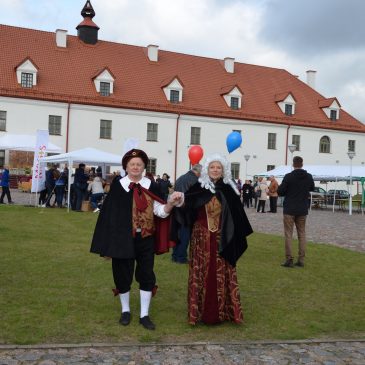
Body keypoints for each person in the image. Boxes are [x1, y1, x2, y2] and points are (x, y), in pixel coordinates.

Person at [90, 149, 183, 330]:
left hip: (146, 237)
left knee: (146, 274)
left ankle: (144, 315)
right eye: (132, 164)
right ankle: (125, 311)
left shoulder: (152, 185)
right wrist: (108, 245)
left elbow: (160, 212)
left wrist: (170, 203)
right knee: (122, 274)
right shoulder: (119, 185)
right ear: (126, 166)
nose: (135, 167)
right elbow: (109, 217)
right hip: (122, 238)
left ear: (143, 167)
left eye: (139, 164)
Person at [171, 153, 253, 325]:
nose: (215, 170)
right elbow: (189, 206)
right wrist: (179, 201)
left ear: (223, 171)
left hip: (223, 237)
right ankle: (199, 312)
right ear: (207, 170)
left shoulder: (229, 190)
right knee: (201, 271)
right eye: (212, 167)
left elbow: (237, 215)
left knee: (223, 271)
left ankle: (224, 312)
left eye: (218, 168)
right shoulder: (198, 188)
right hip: (201, 237)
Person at [278, 156, 315, 268]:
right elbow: (312, 188)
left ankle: (289, 259)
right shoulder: (308, 177)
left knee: (288, 234)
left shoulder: (289, 177)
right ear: (302, 164)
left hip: (289, 209)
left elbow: (280, 191)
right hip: (302, 209)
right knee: (302, 234)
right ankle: (301, 259)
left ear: (293, 164)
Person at [171, 163, 202, 264]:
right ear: (198, 171)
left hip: (177, 209)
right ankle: (181, 257)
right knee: (185, 235)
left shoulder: (181, 177)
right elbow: (195, 198)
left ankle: (175, 255)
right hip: (187, 211)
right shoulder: (194, 180)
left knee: (178, 234)